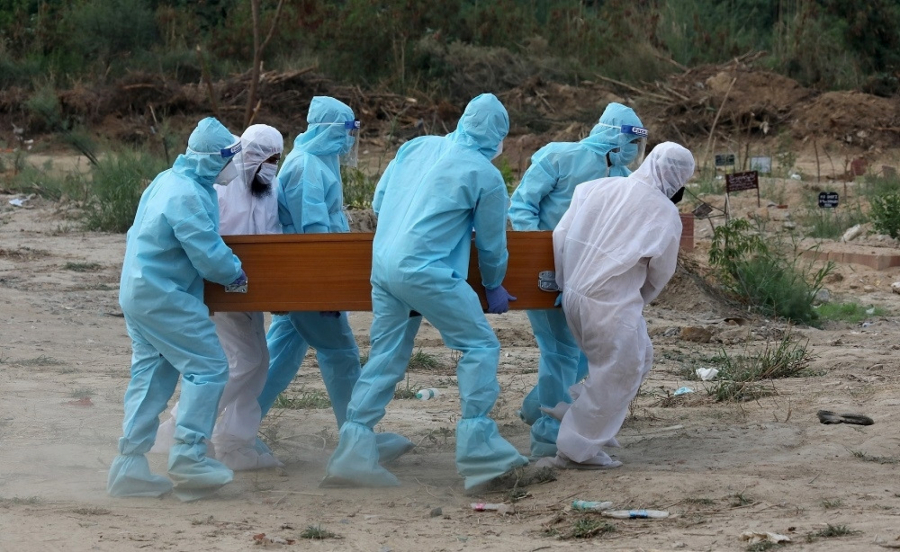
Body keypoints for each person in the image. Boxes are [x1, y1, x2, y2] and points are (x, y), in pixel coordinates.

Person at [323, 93, 528, 491]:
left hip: (383, 265)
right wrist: (493, 284)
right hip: (424, 271)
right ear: (498, 136)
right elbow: (491, 245)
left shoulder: (416, 146)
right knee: (479, 346)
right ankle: (481, 456)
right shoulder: (485, 175)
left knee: (385, 355)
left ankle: (353, 453)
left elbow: (380, 203)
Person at [257, 96, 414, 462]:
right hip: (310, 278)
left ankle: (235, 429)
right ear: (328, 130)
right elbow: (315, 236)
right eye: (345, 130)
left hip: (306, 277)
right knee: (341, 354)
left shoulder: (317, 162)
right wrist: (326, 289)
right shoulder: (306, 168)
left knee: (278, 359)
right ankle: (358, 438)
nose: (349, 139)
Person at [108, 117, 247, 501]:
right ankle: (189, 458)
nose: (231, 166)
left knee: (151, 376)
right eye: (227, 157)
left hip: (138, 291)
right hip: (163, 295)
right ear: (211, 159)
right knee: (209, 368)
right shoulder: (187, 193)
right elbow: (207, 253)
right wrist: (235, 274)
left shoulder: (167, 180)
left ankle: (129, 466)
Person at [536, 142, 693, 470]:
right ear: (680, 179)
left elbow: (561, 236)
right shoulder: (665, 213)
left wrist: (567, 282)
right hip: (611, 304)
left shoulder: (595, 187)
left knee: (641, 356)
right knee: (619, 371)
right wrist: (634, 301)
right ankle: (577, 450)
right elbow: (659, 274)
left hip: (574, 294)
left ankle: (581, 414)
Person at [508, 103, 647, 457]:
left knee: (588, 349)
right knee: (559, 350)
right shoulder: (559, 156)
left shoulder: (624, 179)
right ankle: (548, 435)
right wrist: (542, 255)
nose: (634, 150)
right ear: (614, 136)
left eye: (639, 143)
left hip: (587, 280)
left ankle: (537, 406)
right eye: (632, 141)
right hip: (545, 273)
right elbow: (522, 206)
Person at [151, 124, 285, 471]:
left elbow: (272, 235)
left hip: (250, 287)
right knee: (244, 361)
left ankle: (234, 441)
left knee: (258, 363)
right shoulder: (221, 186)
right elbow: (208, 240)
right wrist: (230, 274)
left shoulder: (270, 187)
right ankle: (182, 429)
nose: (271, 167)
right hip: (222, 283)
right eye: (267, 159)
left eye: (276, 160)